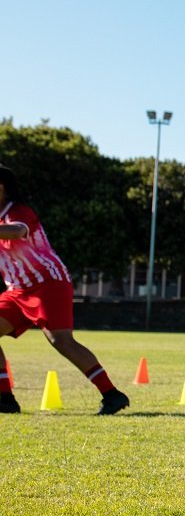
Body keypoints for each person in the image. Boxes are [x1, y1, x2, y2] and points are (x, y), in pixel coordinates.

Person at [0, 165, 130, 415]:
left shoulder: (18, 211)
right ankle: (5, 398)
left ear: (4, 189)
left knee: (61, 340)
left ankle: (112, 395)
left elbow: (18, 231)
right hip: (17, 290)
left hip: (48, 282)